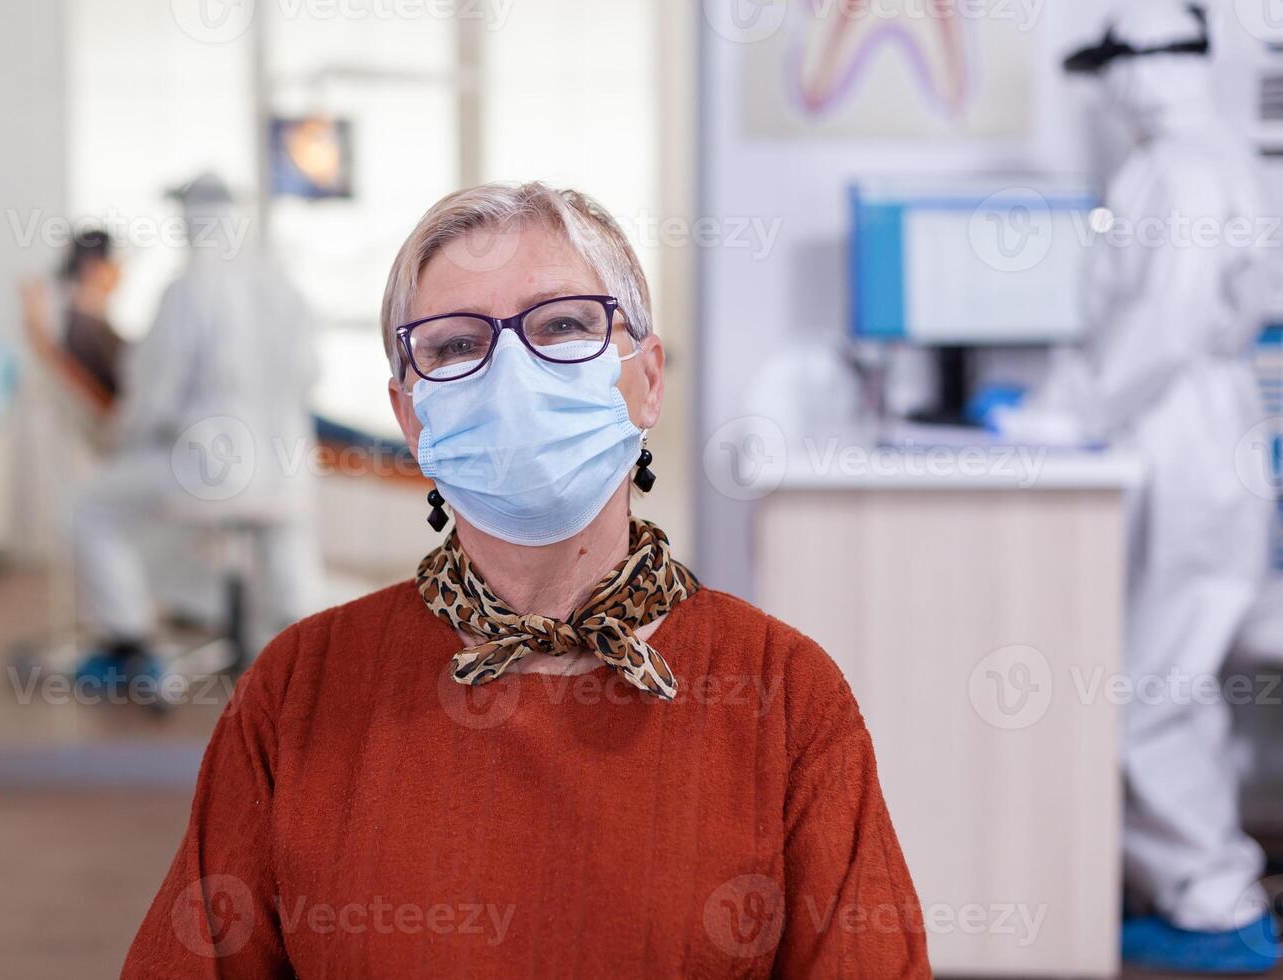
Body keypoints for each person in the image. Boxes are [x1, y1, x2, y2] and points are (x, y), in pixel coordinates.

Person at [121, 183, 931, 977]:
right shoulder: (299, 689)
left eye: (565, 326)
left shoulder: (784, 696)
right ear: (410, 417)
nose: (511, 373)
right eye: (455, 345)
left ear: (647, 379)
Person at [998, 3, 1280, 972]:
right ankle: (1203, 885)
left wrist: (1066, 414)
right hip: (1207, 431)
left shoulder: (1178, 169)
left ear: (1141, 67)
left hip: (1186, 435)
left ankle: (1215, 905)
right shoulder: (1206, 155)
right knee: (1174, 670)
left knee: (1157, 680)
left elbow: (1162, 321)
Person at [70, 172, 321, 685]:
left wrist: (120, 440)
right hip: (286, 471)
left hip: (209, 471)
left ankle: (129, 639)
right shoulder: (282, 286)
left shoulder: (185, 291)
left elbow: (155, 396)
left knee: (89, 506)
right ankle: (311, 664)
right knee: (282, 546)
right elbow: (309, 374)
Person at [61, 229, 127, 399]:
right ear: (92, 268)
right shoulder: (86, 329)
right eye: (115, 262)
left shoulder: (81, 322)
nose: (121, 270)